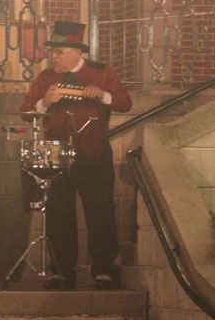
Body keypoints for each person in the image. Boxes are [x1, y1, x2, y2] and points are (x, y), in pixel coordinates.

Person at [20, 21, 132, 290]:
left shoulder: (101, 72)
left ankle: (104, 270)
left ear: (77, 52)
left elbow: (124, 103)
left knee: (100, 212)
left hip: (94, 155)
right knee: (59, 213)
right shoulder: (46, 78)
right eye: (52, 51)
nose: (53, 57)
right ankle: (61, 271)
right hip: (57, 156)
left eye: (59, 51)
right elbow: (26, 111)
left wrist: (103, 95)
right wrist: (45, 102)